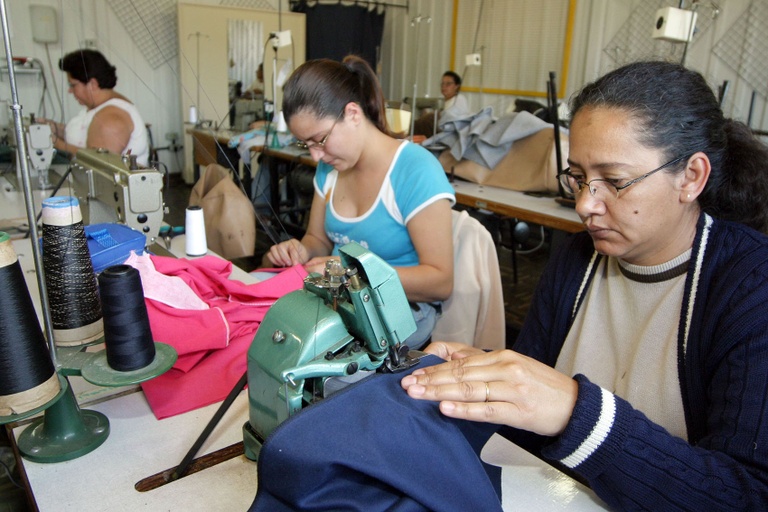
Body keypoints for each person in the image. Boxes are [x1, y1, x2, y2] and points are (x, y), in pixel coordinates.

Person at [401, 60, 768, 509]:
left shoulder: (751, 287)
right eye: (578, 177)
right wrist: (483, 382)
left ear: (691, 177)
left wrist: (577, 413)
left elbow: (747, 495)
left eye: (614, 182)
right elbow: (528, 418)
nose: (585, 204)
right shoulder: (578, 259)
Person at [265, 55, 455, 349]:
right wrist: (300, 250)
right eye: (307, 144)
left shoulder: (415, 170)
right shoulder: (330, 167)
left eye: (320, 139)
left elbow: (440, 282)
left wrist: (347, 274)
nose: (315, 155)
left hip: (401, 315)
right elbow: (317, 238)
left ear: (353, 114)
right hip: (342, 300)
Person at [42, 49, 150, 167]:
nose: (70, 91)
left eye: (73, 85)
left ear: (92, 84)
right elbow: (82, 133)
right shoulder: (96, 108)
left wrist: (56, 143)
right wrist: (55, 128)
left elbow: (99, 166)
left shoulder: (110, 118)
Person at [413, 70, 471, 138]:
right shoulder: (442, 100)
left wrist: (431, 116)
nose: (444, 86)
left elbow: (452, 118)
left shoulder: (459, 99)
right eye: (442, 84)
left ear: (456, 86)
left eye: (448, 84)